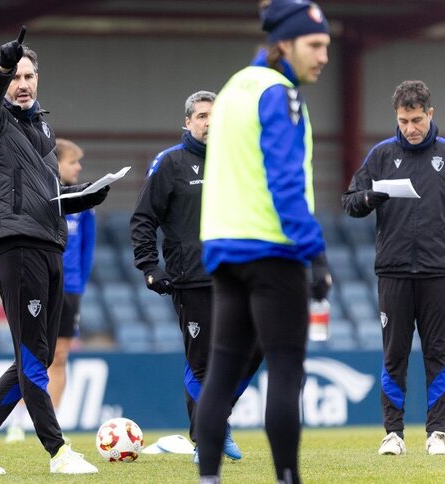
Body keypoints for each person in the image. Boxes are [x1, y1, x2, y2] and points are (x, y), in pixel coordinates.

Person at [0, 27, 108, 475]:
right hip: (15, 245)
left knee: (33, 358)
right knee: (32, 357)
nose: (22, 83)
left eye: (28, 75)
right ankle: (58, 453)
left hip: (49, 243)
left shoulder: (42, 126)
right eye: (15, 76)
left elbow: (44, 191)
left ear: (38, 79)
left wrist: (80, 198)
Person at [196, 1, 331, 482]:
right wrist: (314, 252)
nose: (323, 57)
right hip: (273, 248)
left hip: (223, 248)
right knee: (286, 370)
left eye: (327, 46)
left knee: (221, 372)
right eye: (315, 45)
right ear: (284, 44)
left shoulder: (233, 89)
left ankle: (208, 477)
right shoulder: (281, 92)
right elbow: (285, 181)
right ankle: (287, 477)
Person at [130, 90, 262, 463]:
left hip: (237, 275)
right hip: (193, 278)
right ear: (187, 122)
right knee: (202, 363)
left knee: (258, 346)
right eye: (202, 116)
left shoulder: (237, 161)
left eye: (215, 115)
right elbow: (143, 219)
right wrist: (149, 266)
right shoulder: (169, 163)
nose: (209, 122)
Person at [342, 80, 445, 457]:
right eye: (403, 120)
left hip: (438, 272)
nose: (410, 128)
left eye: (416, 120)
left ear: (430, 114)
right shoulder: (382, 155)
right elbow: (350, 201)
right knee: (394, 355)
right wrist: (368, 197)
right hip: (394, 272)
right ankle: (393, 434)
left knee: (439, 353)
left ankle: (438, 433)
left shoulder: (443, 156)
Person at [5, 138, 97, 444]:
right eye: (73, 162)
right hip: (41, 282)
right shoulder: (40, 195)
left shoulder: (83, 203)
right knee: (33, 354)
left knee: (60, 356)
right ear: (56, 164)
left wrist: (79, 288)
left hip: (70, 290)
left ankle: (51, 422)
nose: (79, 167)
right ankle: (17, 419)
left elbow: (87, 249)